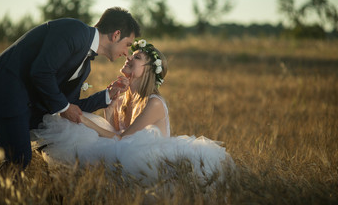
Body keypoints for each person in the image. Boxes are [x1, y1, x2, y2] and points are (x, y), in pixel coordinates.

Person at [32, 40, 234, 185]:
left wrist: (83, 119)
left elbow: (120, 140)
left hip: (153, 162)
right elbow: (112, 130)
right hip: (125, 153)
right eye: (131, 54)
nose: (128, 57)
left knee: (81, 128)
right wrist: (111, 102)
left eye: (136, 57)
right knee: (72, 129)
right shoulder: (124, 97)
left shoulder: (154, 103)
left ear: (148, 71)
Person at [0, 7, 140, 169]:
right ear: (116, 35)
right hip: (6, 90)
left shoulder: (85, 65)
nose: (127, 53)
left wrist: (107, 95)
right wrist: (65, 107)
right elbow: (41, 72)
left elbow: (70, 105)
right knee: (18, 159)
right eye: (127, 45)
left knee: (32, 160)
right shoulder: (75, 30)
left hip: (25, 101)